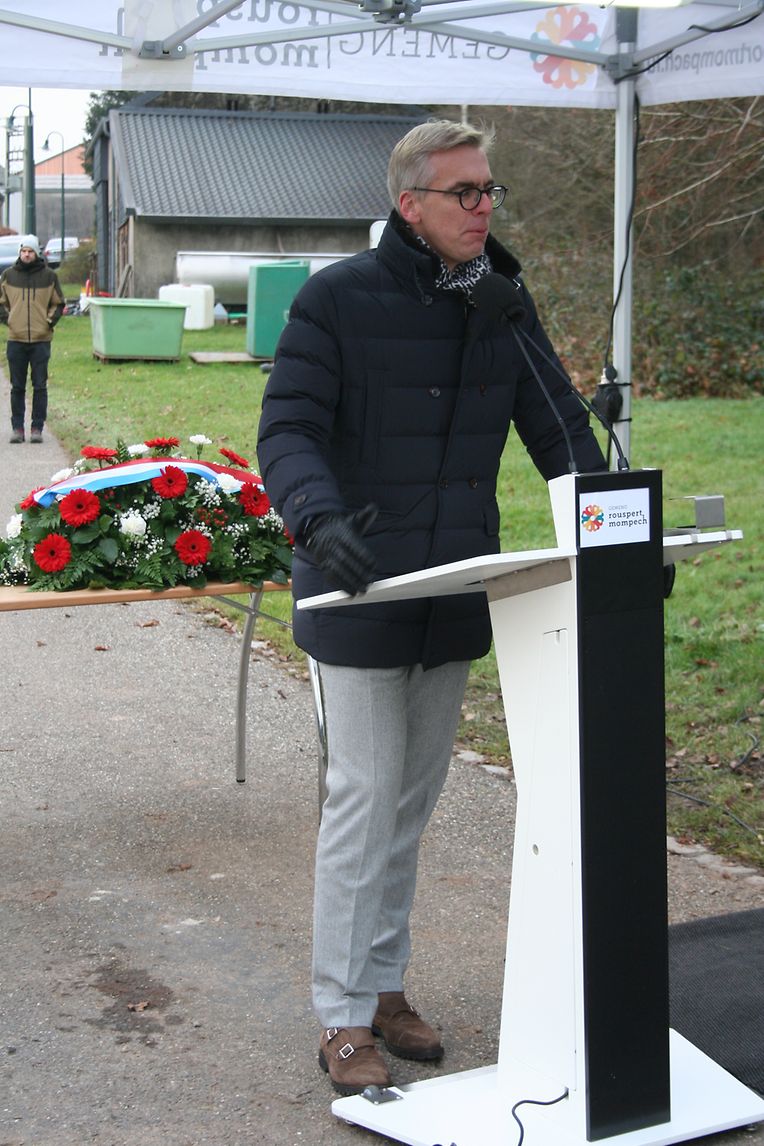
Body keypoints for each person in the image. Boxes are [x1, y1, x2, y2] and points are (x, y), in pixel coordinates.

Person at [256, 119, 607, 1097]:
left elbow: (559, 428)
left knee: (408, 808)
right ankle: (341, 1016)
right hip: (358, 587)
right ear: (409, 204)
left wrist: (611, 525)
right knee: (364, 800)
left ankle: (382, 987)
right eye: (465, 192)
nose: (483, 207)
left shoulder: (499, 303)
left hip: (451, 590)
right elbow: (286, 428)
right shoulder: (335, 299)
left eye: (489, 190)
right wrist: (315, 516)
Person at [0, 234, 64, 444]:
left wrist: (48, 322)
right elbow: (1, 301)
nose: (26, 255)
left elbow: (58, 303)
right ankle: (17, 428)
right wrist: (9, 320)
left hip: (41, 340)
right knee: (17, 387)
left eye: (30, 251)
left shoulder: (49, 277)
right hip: (16, 339)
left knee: (40, 386)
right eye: (23, 251)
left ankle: (37, 428)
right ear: (20, 253)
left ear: (36, 253)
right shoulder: (8, 275)